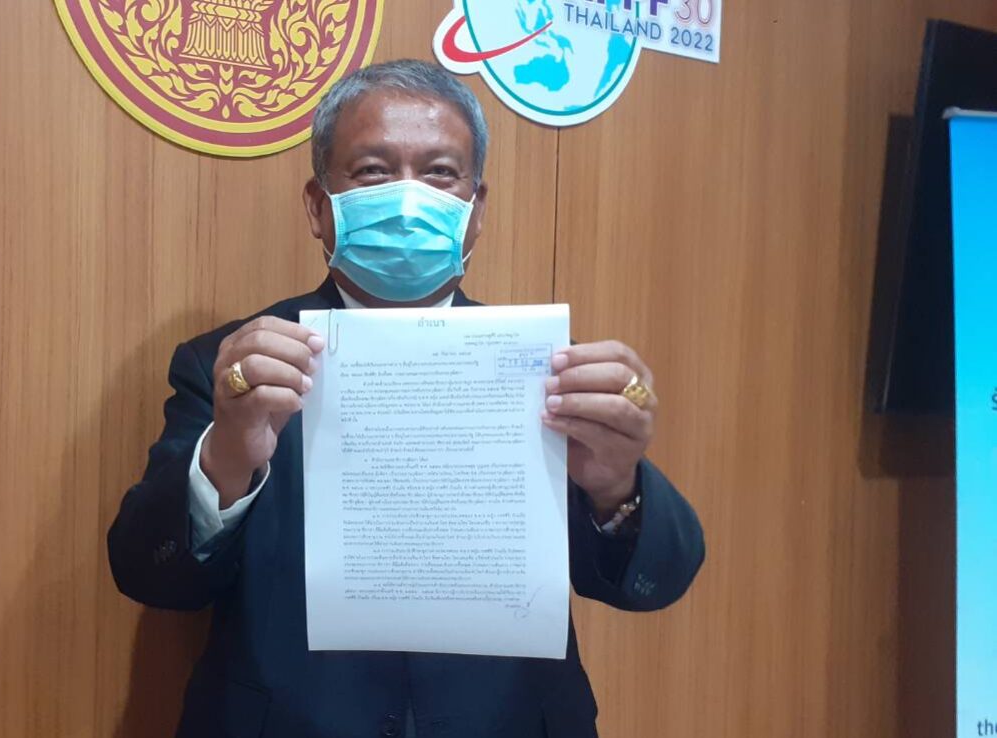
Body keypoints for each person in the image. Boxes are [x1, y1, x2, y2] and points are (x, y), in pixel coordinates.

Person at [108, 59, 705, 738]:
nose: (408, 197)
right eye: (372, 171)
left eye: (440, 173)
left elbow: (659, 581)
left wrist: (615, 487)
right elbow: (148, 575)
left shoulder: (544, 368)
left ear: (476, 210)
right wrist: (226, 459)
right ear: (318, 206)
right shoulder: (235, 369)